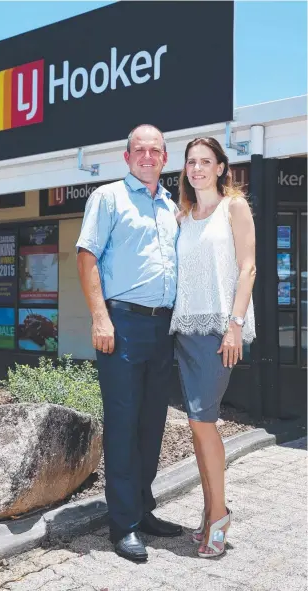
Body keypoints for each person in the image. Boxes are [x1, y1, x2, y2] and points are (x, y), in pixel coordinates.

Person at [76, 124, 182, 563]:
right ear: (126, 157)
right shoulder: (108, 198)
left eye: (155, 150)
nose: (148, 156)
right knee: (122, 425)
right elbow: (86, 256)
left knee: (152, 423)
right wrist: (100, 316)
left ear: (164, 157)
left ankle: (142, 508)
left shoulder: (170, 205)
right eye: (140, 150)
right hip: (121, 324)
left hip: (163, 329)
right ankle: (123, 525)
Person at [169, 137, 256, 558]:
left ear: (221, 167)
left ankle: (218, 516)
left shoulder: (234, 207)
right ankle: (209, 513)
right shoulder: (183, 215)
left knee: (204, 422)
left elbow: (249, 268)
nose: (198, 168)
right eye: (191, 162)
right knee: (196, 425)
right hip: (185, 330)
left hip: (219, 330)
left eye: (206, 161)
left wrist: (235, 326)